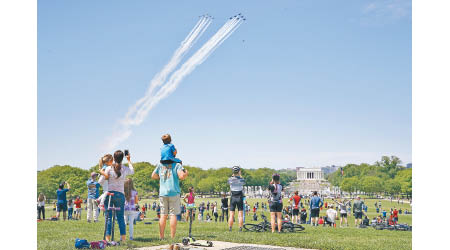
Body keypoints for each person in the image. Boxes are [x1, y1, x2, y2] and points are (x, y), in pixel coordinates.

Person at [100, 150, 134, 243]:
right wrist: (129, 160)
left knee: (109, 217)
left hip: (110, 194)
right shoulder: (124, 168)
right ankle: (123, 239)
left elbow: (101, 181)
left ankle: (107, 239)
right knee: (120, 218)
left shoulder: (109, 168)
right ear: (122, 158)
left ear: (113, 158)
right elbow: (132, 171)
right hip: (120, 194)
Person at [151, 153, 188, 241]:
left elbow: (153, 176)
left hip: (163, 192)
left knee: (163, 215)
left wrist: (161, 177)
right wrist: (186, 173)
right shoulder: (177, 165)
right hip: (174, 192)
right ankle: (172, 237)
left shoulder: (160, 165)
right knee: (173, 215)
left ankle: (161, 237)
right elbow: (181, 176)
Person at [227, 166, 246, 232]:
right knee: (240, 215)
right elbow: (243, 182)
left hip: (233, 197)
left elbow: (231, 181)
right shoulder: (241, 179)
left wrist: (233, 175)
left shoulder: (230, 179)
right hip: (240, 197)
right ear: (239, 171)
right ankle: (240, 228)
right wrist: (240, 175)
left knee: (231, 215)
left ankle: (230, 228)